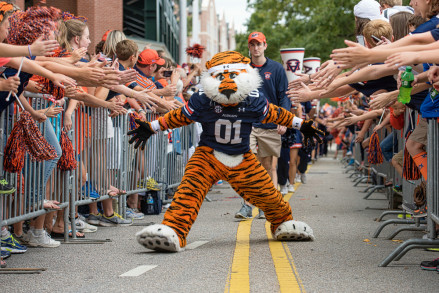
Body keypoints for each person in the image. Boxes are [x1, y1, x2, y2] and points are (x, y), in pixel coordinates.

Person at [235, 32, 291, 220]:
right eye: (252, 44)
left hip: (269, 123)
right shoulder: (242, 70)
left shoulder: (276, 69)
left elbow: (284, 96)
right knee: (248, 163)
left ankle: (269, 205)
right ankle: (247, 205)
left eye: (259, 44)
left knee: (268, 166)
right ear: (249, 47)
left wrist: (284, 119)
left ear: (265, 46)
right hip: (248, 123)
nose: (256, 48)